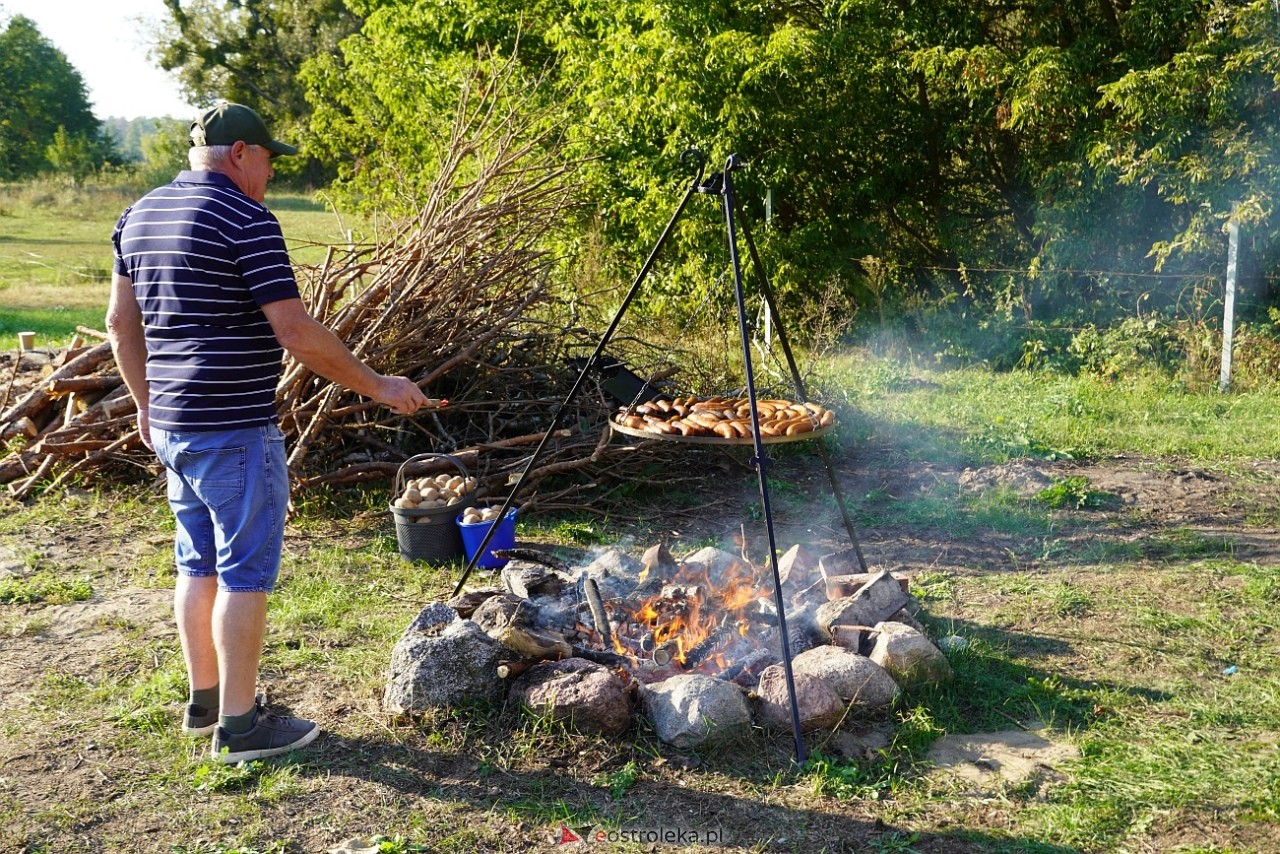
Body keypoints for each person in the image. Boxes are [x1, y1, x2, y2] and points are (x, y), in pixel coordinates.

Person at [105, 103, 428, 764]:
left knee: (197, 563)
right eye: (269, 160)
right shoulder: (245, 218)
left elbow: (119, 324)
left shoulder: (138, 214)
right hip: (232, 429)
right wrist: (379, 385)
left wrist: (145, 405)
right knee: (245, 572)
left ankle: (206, 704)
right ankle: (243, 728)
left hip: (173, 426)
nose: (271, 174)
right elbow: (295, 331)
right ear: (241, 152)